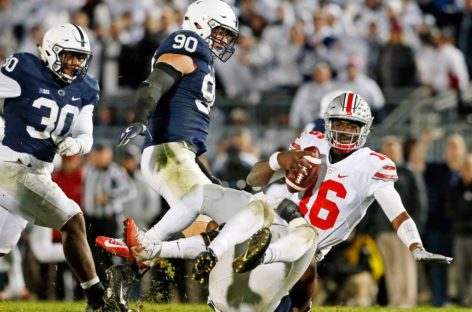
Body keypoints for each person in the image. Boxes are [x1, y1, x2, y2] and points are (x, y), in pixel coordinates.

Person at [0, 23, 110, 311]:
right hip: (11, 165)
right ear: (50, 51)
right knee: (73, 220)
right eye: (70, 55)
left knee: (2, 246)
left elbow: (86, 135)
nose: (75, 63)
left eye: (80, 57)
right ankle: (98, 300)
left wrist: (77, 146)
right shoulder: (24, 69)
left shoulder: (85, 88)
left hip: (37, 170)